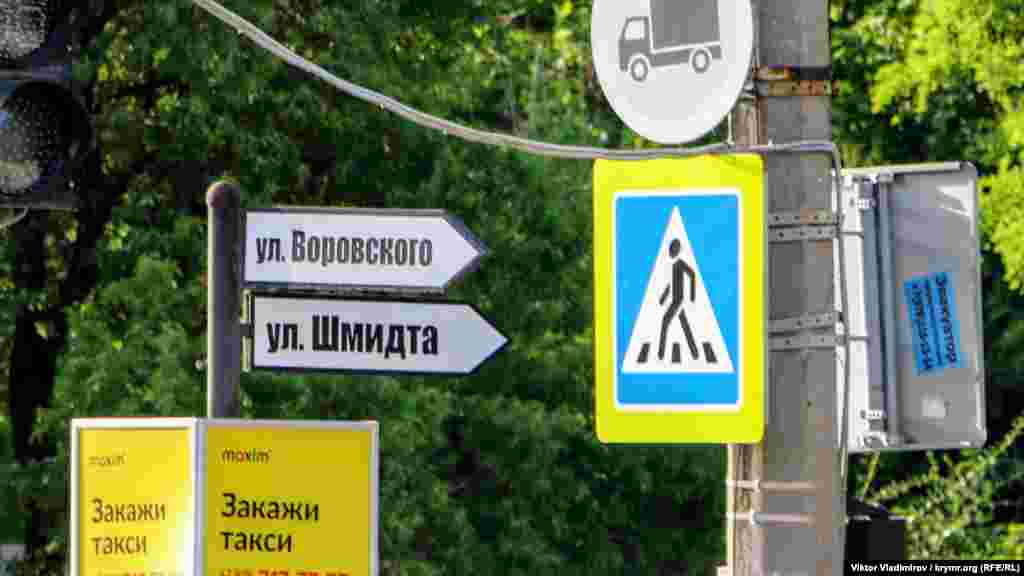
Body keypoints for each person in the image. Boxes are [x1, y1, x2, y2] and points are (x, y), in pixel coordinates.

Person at [658, 238, 699, 361]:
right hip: (675, 299)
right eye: (670, 249)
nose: (670, 252)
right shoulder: (674, 265)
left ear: (677, 250)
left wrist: (692, 296)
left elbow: (692, 274)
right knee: (685, 325)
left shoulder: (680, 263)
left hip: (679, 300)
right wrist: (664, 297)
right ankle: (695, 353)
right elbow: (672, 284)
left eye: (673, 249)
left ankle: (661, 354)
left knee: (665, 321)